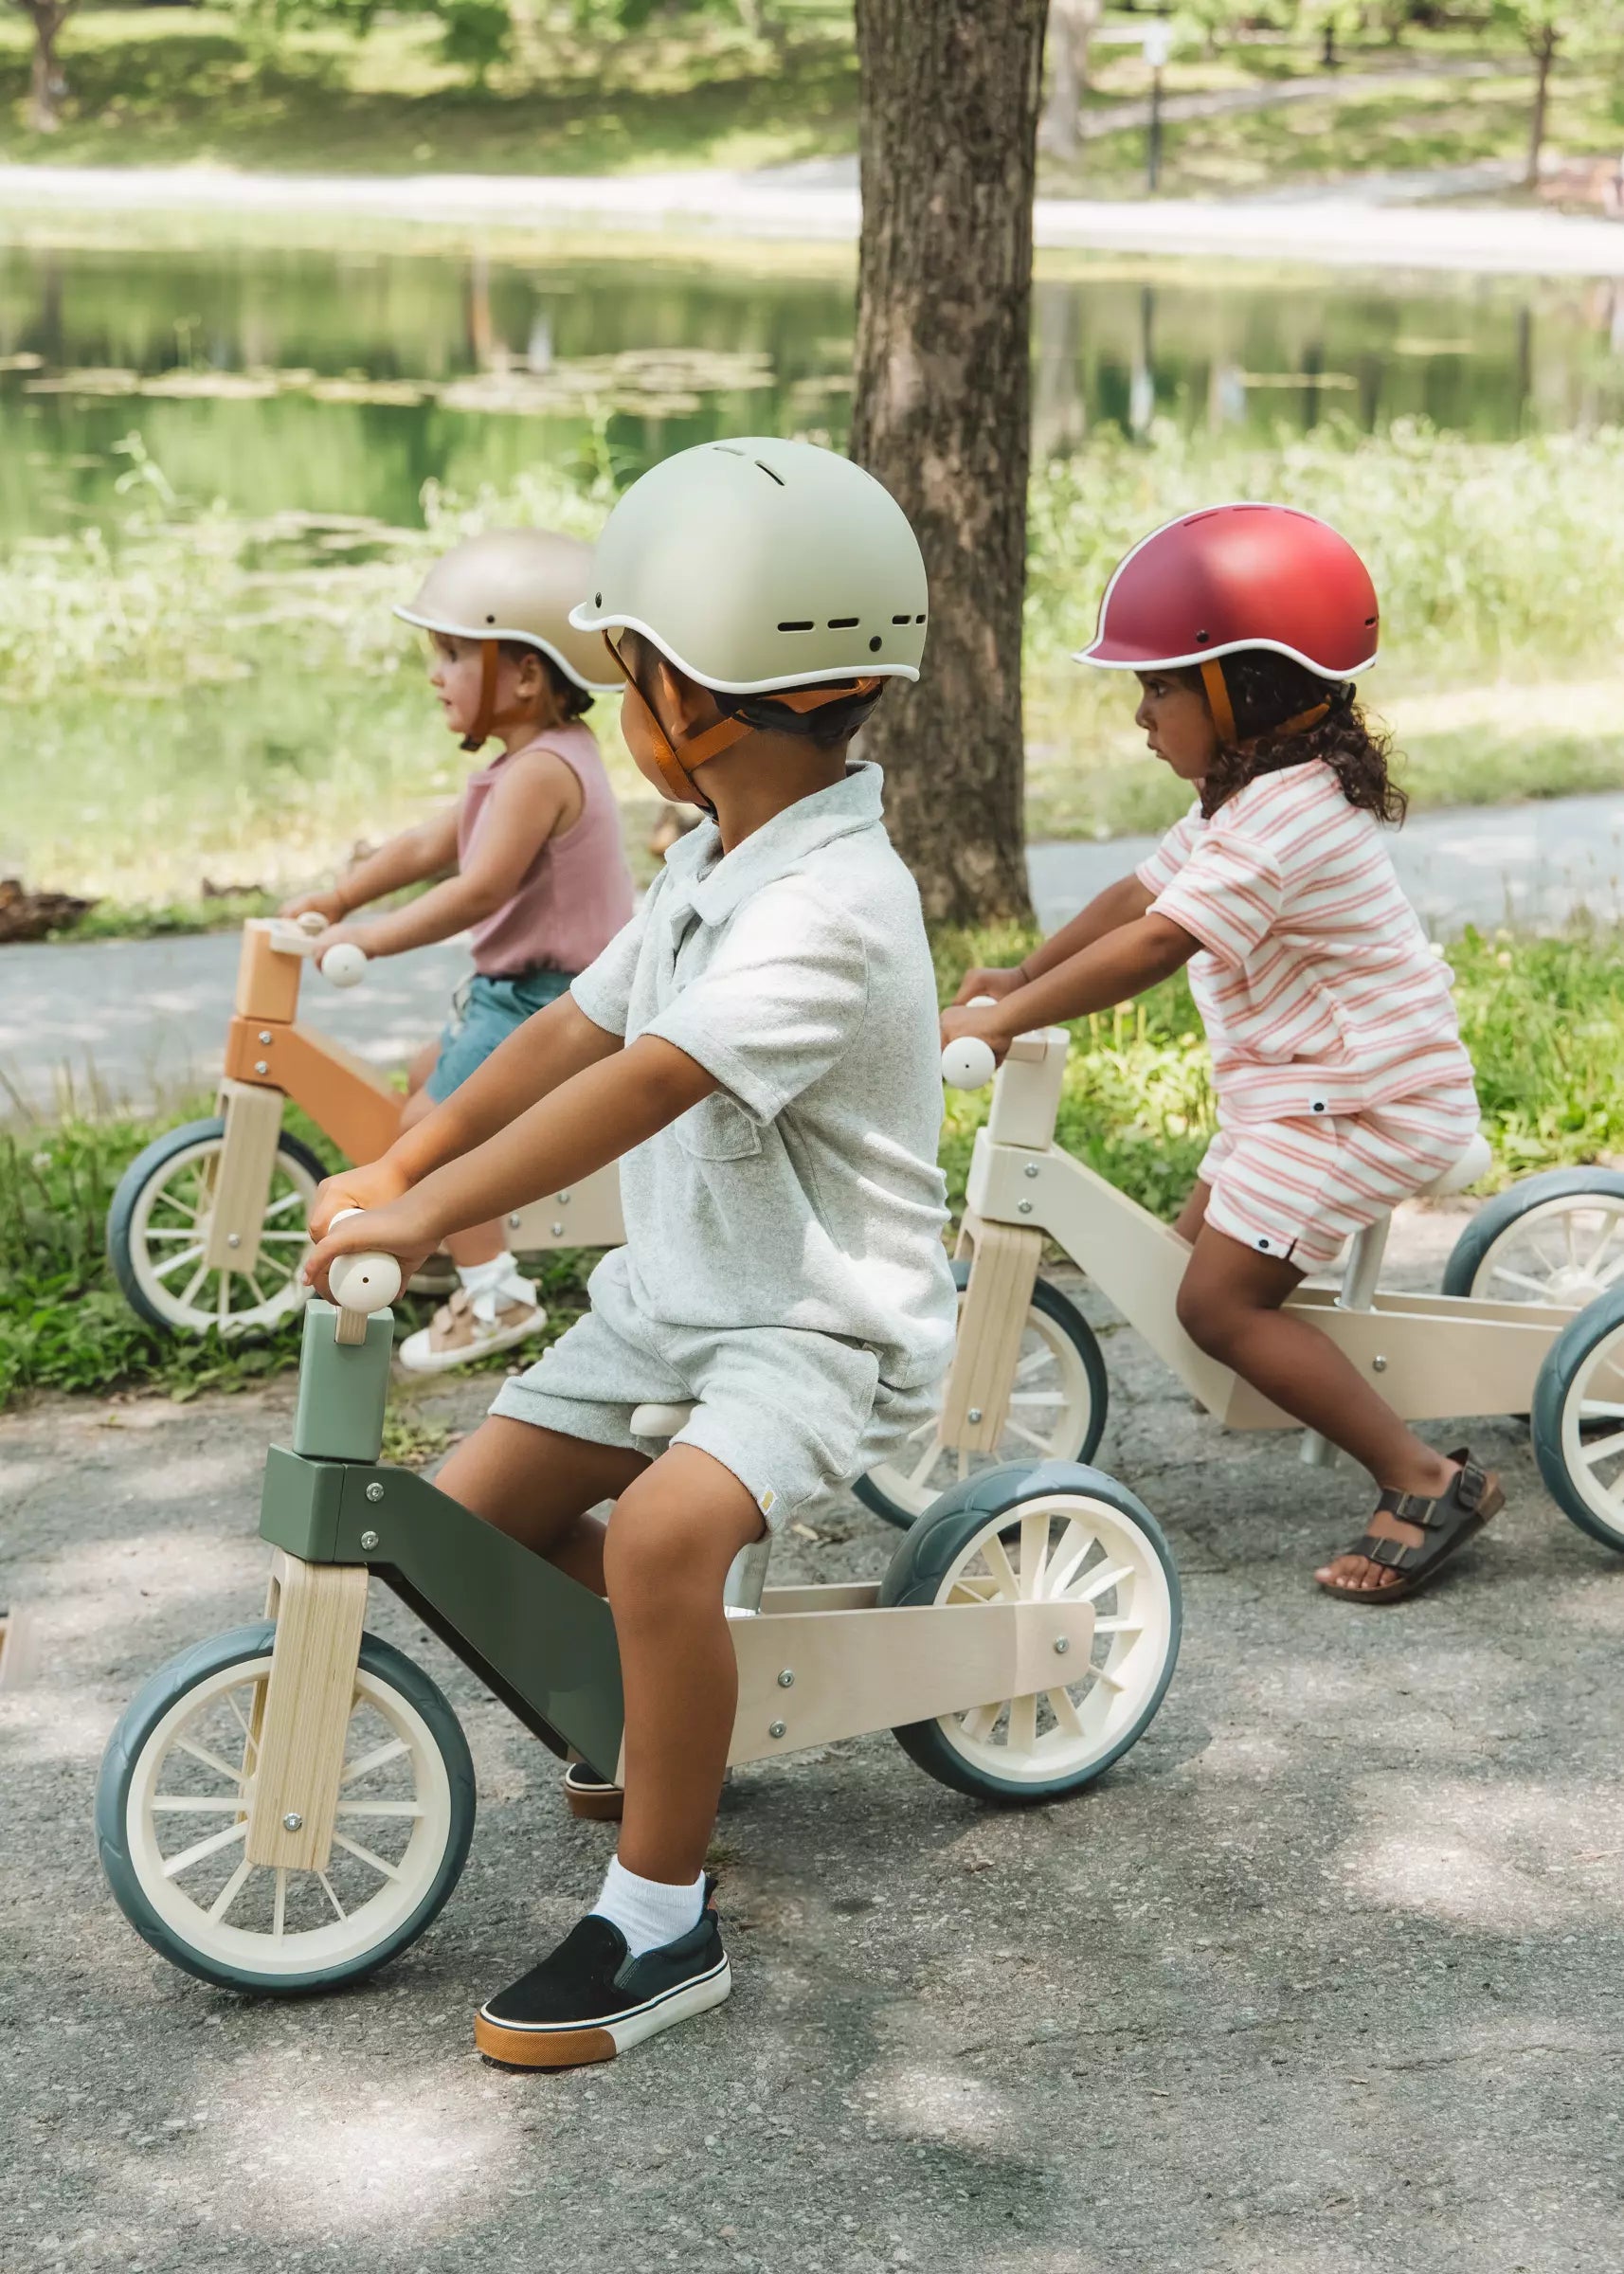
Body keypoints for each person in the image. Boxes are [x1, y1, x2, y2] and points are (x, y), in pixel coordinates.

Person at [302, 437, 957, 2066]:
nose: (612, 698)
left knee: (662, 1545)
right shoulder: (705, 857)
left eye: (627, 667)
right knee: (461, 1529)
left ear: (703, 696)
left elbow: (645, 1082)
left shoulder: (832, 907)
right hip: (678, 1299)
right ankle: (676, 1701)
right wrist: (403, 1154)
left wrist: (421, 1221)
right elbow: (576, 1030)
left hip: (811, 1323)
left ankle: (661, 1919)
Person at [942, 502, 1502, 1605]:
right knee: (1185, 1265)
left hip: (1364, 1100)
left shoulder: (1285, 819)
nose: (1139, 716)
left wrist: (1004, 1026)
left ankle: (1423, 1477)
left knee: (1213, 1306)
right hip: (1299, 1094)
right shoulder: (1246, 798)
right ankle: (1317, 1379)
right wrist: (1016, 977)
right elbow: (1134, 894)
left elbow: (1158, 941)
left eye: (1158, 687)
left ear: (1245, 689)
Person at [280, 529, 635, 1372]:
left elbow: (479, 888)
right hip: (516, 994)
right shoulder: (522, 764)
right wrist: (341, 894)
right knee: (417, 1073)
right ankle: (453, 1248)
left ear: (524, 674)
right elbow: (427, 845)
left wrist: (365, 940)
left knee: (435, 1131)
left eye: (452, 654)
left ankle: (497, 1293)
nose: (435, 674)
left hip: (554, 1001)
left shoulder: (545, 773)